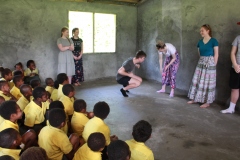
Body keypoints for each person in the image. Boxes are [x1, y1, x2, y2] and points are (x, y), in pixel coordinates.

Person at [187, 24, 219, 108]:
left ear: (207, 31)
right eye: (200, 31)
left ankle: (207, 102)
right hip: (201, 62)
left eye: (202, 30)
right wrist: (202, 60)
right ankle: (195, 98)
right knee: (198, 80)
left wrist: (213, 66)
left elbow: (216, 54)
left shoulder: (214, 41)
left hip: (210, 63)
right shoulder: (199, 42)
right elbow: (199, 54)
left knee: (208, 82)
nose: (201, 32)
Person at [221, 23, 240, 113]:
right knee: (234, 88)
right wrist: (235, 65)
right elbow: (232, 53)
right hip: (236, 67)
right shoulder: (238, 38)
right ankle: (231, 108)